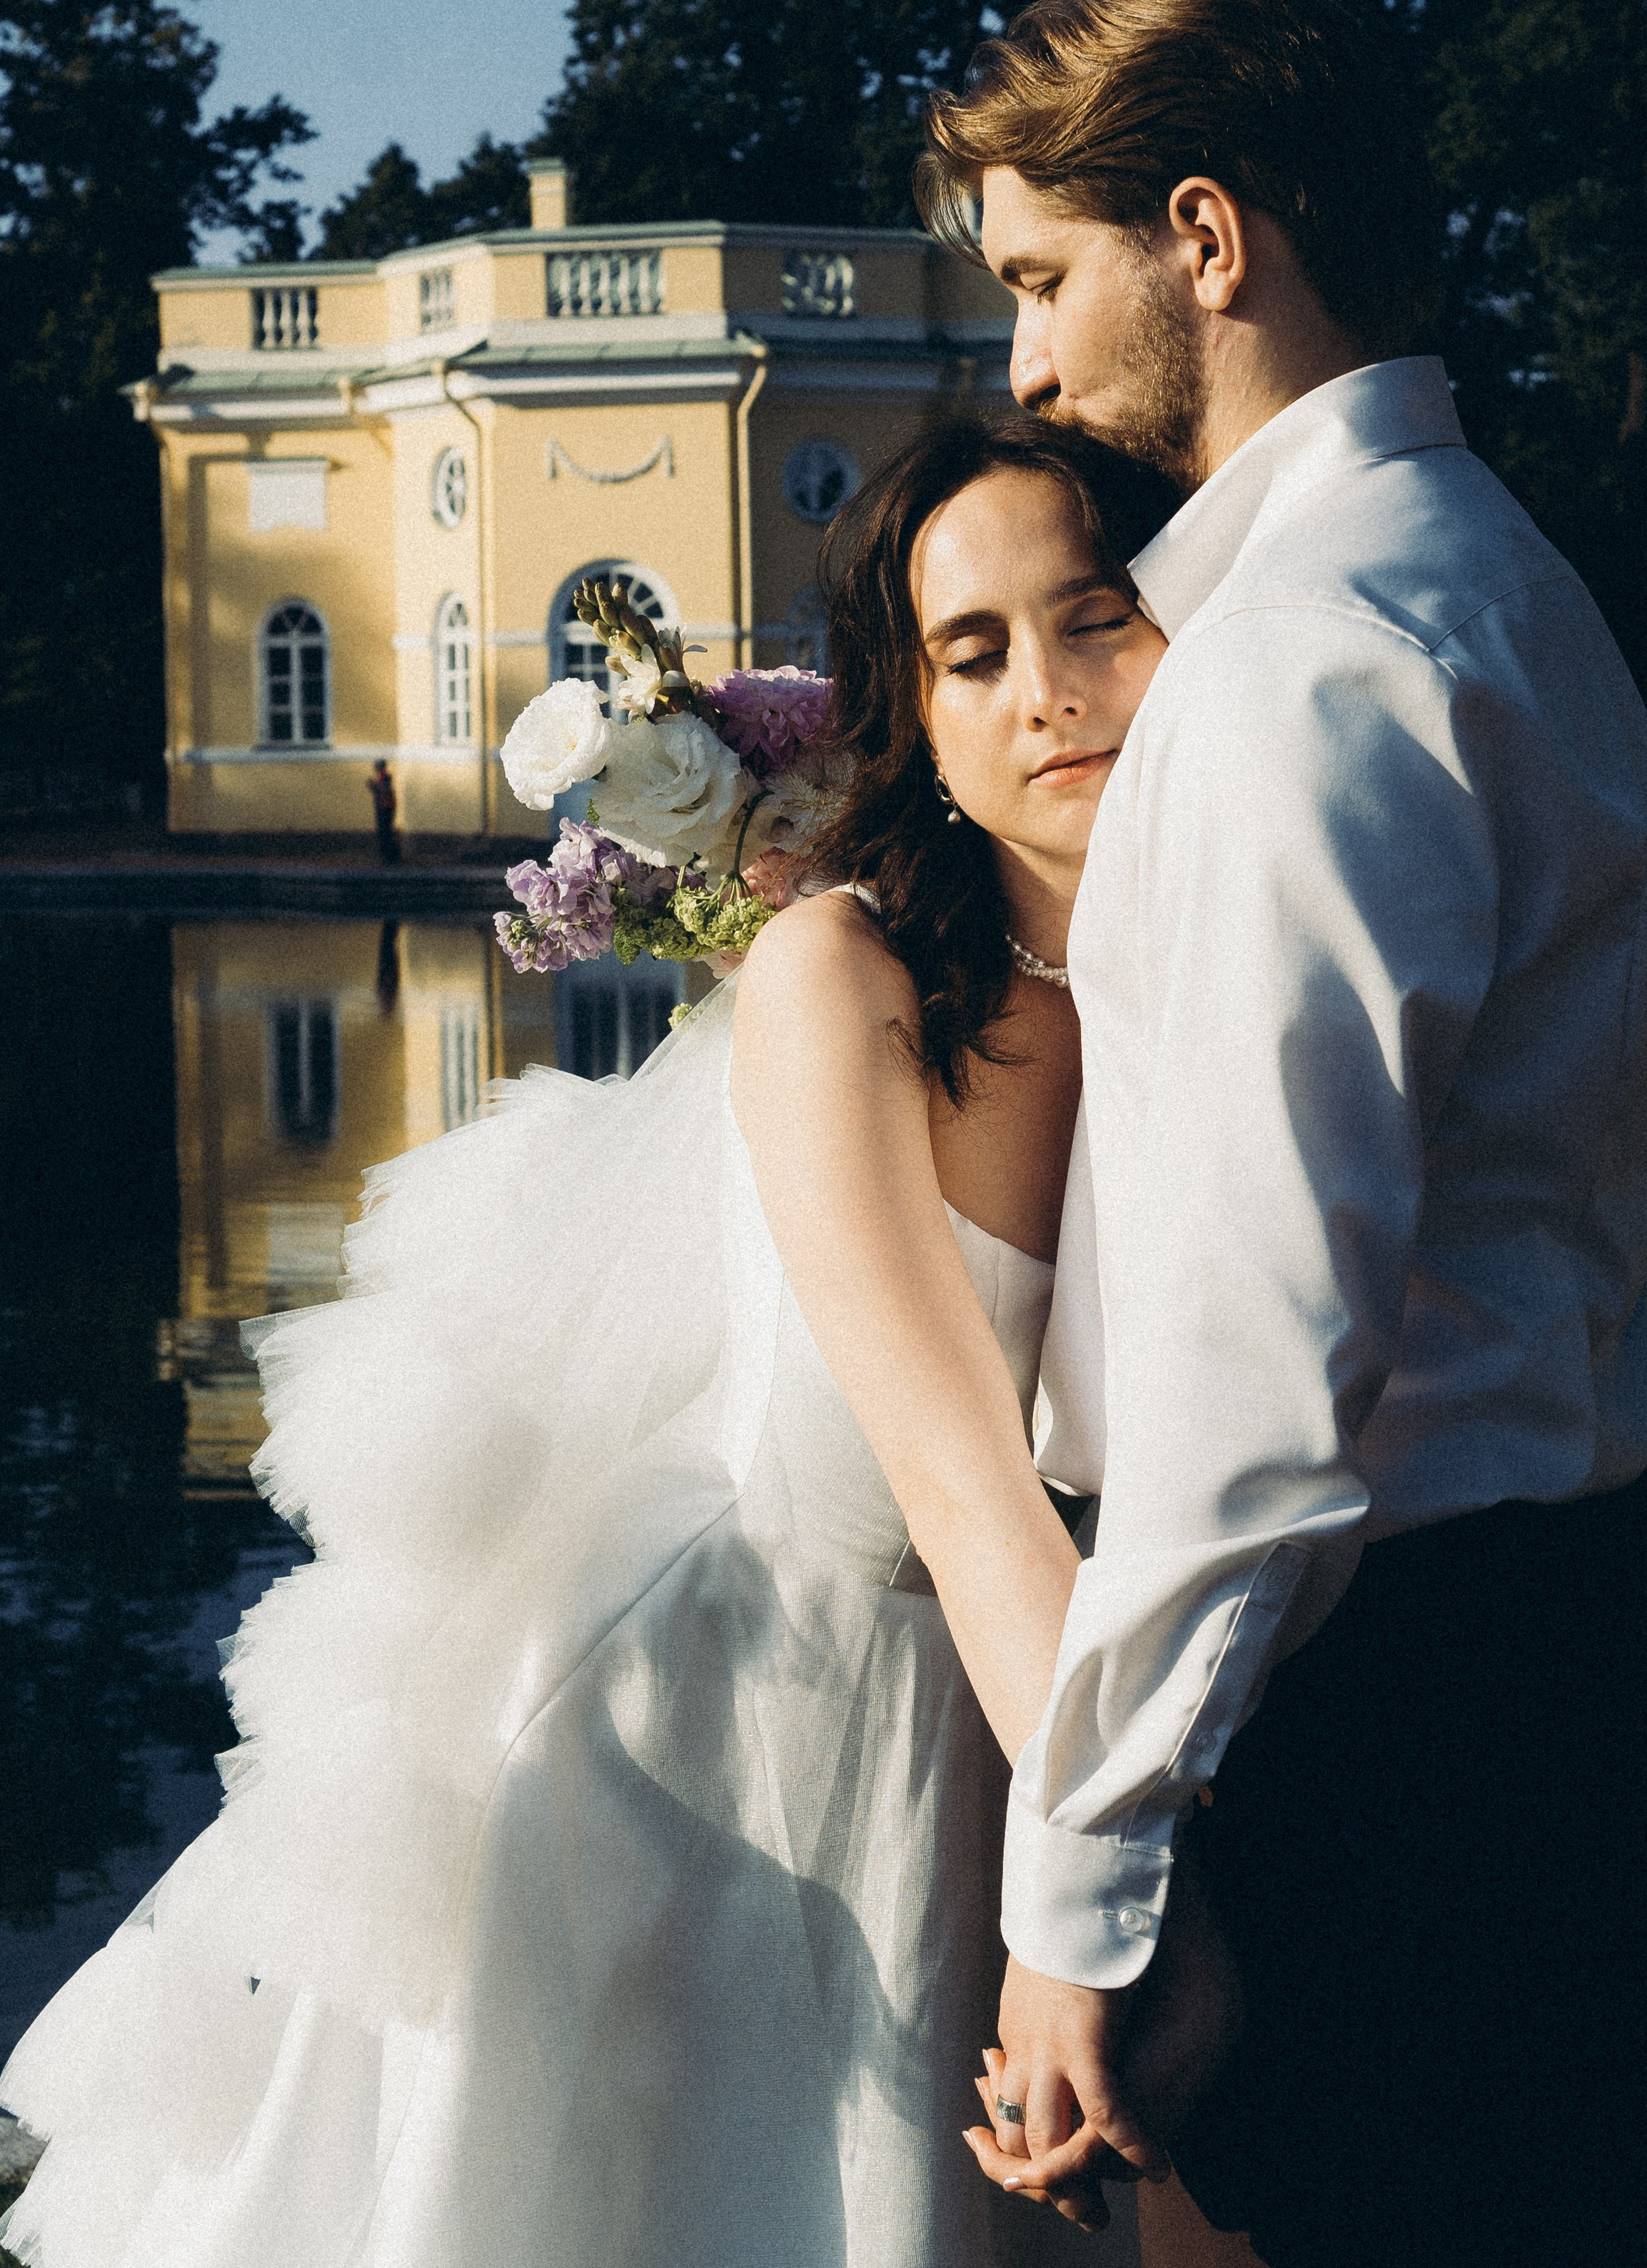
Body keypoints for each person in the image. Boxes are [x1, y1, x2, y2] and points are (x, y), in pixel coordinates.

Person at [0, 414, 1213, 2268]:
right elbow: (970, 1500)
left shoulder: (1185, 979)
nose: (1047, 694)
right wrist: (1147, 1897)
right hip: (705, 1758)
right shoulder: (843, 978)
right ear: (921, 722)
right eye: (974, 653)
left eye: (1096, 619)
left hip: (977, 1727)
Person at [915, 0, 1647, 2268]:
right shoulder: (1501, 579)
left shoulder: (1304, 665)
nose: (1025, 363)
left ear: (1206, 237)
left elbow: (1256, 1370)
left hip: (1418, 1707)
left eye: (1045, 278)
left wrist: (1079, 1894)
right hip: (1575, 1614)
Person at [366, 756, 402, 864]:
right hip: (383, 807)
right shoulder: (380, 777)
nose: (375, 768)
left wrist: (374, 786)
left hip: (386, 808)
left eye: (377, 766)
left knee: (386, 832)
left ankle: (391, 856)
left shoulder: (386, 777)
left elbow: (384, 789)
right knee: (384, 832)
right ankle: (388, 856)